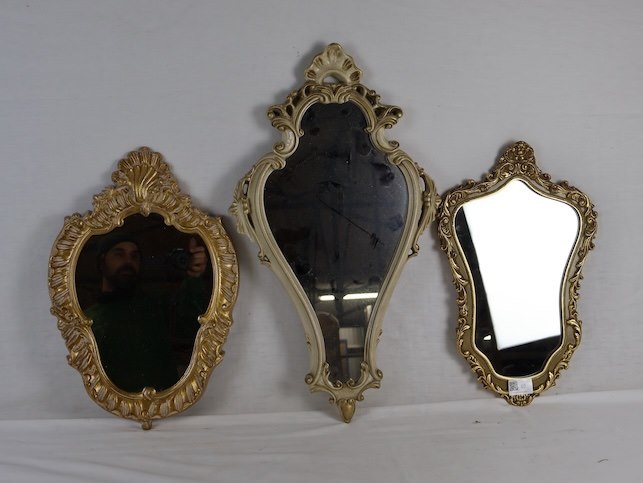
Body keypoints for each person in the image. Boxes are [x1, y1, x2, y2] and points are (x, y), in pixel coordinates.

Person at [85, 232, 209, 393]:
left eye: (134, 256)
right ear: (102, 261)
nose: (128, 262)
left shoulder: (157, 305)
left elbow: (191, 326)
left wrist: (194, 276)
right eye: (119, 254)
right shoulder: (88, 319)